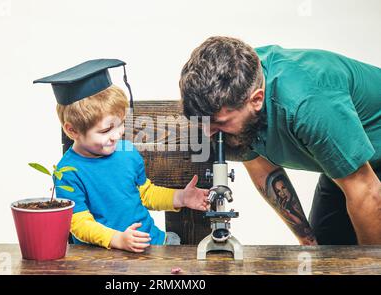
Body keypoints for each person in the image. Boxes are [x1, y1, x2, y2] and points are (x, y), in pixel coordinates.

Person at [179, 36, 381, 245]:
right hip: (349, 168)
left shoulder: (308, 103)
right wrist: (308, 243)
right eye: (201, 122)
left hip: (367, 174)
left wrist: (368, 268)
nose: (208, 133)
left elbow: (367, 192)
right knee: (323, 254)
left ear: (257, 100)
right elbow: (261, 166)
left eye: (218, 123)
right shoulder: (240, 83)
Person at [34, 59, 209, 252]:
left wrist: (180, 197)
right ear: (73, 130)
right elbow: (78, 222)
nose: (117, 134)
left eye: (121, 124)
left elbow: (144, 193)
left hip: (151, 243)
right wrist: (116, 239)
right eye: (106, 130)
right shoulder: (68, 172)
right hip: (102, 257)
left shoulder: (127, 153)